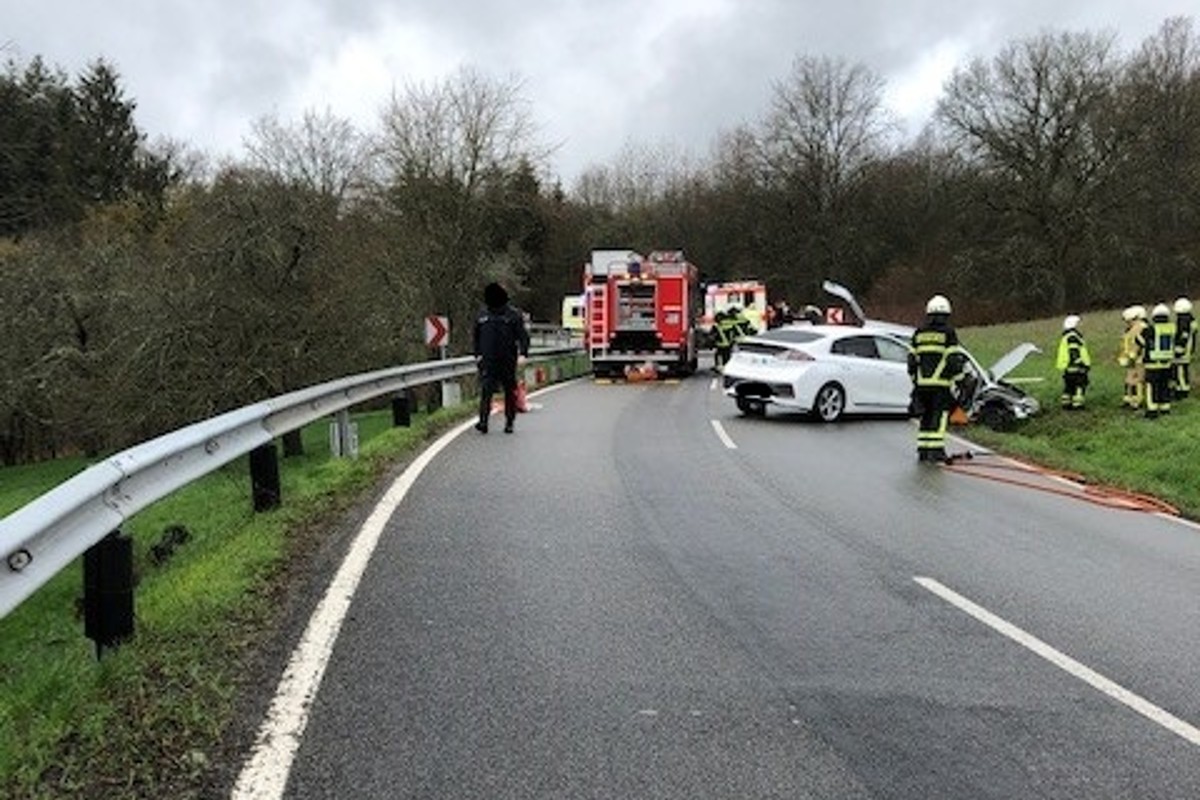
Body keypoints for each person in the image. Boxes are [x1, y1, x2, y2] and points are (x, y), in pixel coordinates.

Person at [908, 294, 966, 463]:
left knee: (925, 417)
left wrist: (916, 380)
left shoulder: (919, 333)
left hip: (921, 386)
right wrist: (960, 379)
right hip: (940, 385)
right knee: (938, 417)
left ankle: (923, 451)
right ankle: (936, 451)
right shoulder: (948, 333)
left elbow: (911, 361)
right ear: (946, 314)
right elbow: (953, 360)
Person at [472, 282, 529, 434]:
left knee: (509, 391)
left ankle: (509, 421)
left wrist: (523, 354)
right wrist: (477, 354)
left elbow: (523, 337)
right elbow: (476, 337)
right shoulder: (482, 315)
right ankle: (483, 422)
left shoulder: (513, 315)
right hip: (488, 360)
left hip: (507, 360)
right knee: (486, 391)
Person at [1138, 303, 1175, 418]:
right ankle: (1165, 407)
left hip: (1153, 364)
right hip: (1167, 363)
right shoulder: (1172, 328)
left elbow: (1140, 340)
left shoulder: (1151, 329)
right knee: (1164, 386)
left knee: (1151, 387)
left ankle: (1152, 410)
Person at [1056, 314, 1091, 410]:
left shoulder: (1066, 336)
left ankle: (1066, 403)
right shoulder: (1073, 337)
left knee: (1069, 386)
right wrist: (1081, 364)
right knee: (1080, 385)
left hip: (1068, 367)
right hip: (1076, 367)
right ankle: (1078, 404)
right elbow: (1074, 352)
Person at [1118, 305, 1147, 409]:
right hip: (1131, 359)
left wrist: (1135, 355)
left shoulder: (1142, 328)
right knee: (1129, 380)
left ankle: (1137, 401)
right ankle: (1128, 399)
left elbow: (1142, 344)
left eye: (1130, 321)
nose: (1128, 323)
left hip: (1139, 359)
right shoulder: (1131, 329)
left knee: (1137, 380)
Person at [1172, 296, 1196, 399]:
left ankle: (1182, 391)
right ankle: (1183, 388)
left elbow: (1183, 335)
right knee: (1183, 370)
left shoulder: (1183, 320)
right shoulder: (1191, 319)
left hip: (1183, 350)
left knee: (1180, 371)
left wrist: (1178, 348)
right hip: (1189, 349)